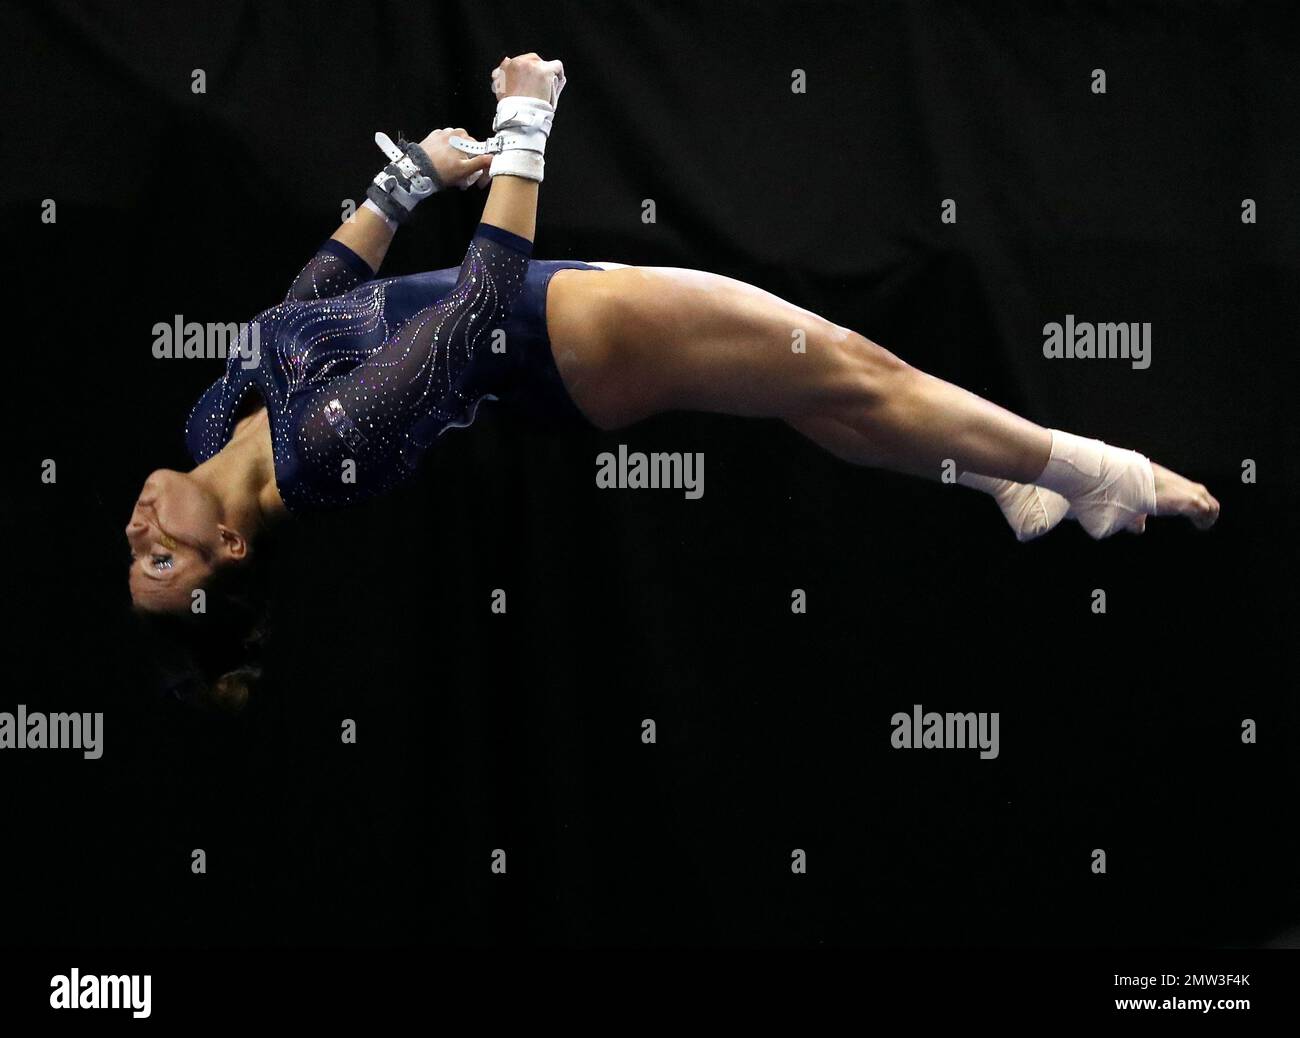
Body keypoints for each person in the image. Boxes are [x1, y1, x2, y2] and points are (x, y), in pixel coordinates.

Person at [125, 52, 1219, 709]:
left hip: (558, 339)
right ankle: (1091, 474)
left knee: (817, 391)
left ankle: (1007, 481)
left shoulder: (214, 415)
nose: (138, 530)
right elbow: (471, 308)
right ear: (230, 550)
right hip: (557, 332)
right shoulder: (321, 454)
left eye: (136, 555)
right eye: (163, 560)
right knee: (845, 365)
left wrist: (409, 177)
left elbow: (309, 302)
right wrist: (524, 124)